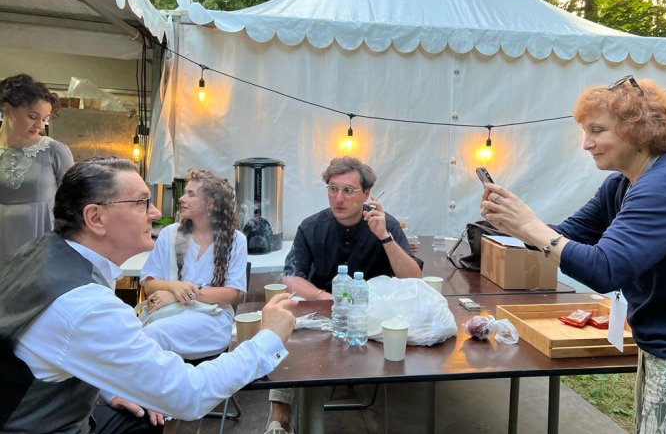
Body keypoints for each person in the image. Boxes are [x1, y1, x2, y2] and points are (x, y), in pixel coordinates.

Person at [0, 157, 297, 433]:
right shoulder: (85, 304)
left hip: (37, 413)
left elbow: (66, 348)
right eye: (142, 203)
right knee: (155, 407)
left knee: (145, 412)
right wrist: (267, 338)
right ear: (96, 217)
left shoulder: (42, 252)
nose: (155, 213)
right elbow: (189, 394)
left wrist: (111, 389)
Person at [479, 76, 666, 433]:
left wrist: (529, 225)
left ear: (638, 130)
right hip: (662, 347)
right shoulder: (621, 184)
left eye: (597, 130)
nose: (586, 143)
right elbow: (570, 234)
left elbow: (605, 268)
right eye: (585, 132)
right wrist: (514, 223)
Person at [266, 156, 422, 434]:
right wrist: (324, 297)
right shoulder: (312, 227)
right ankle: (280, 420)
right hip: (322, 310)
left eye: (348, 190)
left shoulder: (385, 224)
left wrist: (385, 237)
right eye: (333, 189)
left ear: (366, 194)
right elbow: (291, 276)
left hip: (372, 317)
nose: (338, 198)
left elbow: (413, 280)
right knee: (282, 329)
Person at [140, 169, 247, 360]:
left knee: (153, 335)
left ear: (210, 204)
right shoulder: (169, 233)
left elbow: (231, 294)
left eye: (191, 194)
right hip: (168, 313)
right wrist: (174, 286)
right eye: (184, 193)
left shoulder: (236, 239)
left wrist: (178, 295)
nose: (182, 199)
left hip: (211, 318)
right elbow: (149, 284)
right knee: (140, 336)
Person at [0, 73, 74, 262]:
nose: (39, 125)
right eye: (33, 116)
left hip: (41, 249)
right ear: (7, 109)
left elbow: (74, 203)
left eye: (44, 119)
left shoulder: (54, 151)